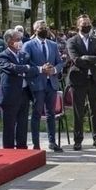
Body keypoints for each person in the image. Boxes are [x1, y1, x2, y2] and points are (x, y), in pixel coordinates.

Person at [66, 14, 96, 150]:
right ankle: (78, 140)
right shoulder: (72, 41)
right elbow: (76, 60)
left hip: (94, 79)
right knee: (79, 111)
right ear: (78, 25)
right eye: (84, 24)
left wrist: (87, 58)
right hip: (78, 79)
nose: (86, 26)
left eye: (88, 23)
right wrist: (94, 60)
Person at [23, 20, 64, 152]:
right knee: (36, 114)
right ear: (35, 30)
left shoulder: (52, 44)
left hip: (51, 84)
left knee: (51, 113)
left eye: (46, 27)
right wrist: (41, 69)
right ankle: (36, 144)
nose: (44, 30)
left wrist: (55, 70)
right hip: (37, 84)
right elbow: (25, 64)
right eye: (41, 28)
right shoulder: (28, 45)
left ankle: (52, 142)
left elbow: (60, 62)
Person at [0, 29, 38, 149]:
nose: (20, 42)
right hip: (10, 95)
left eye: (21, 39)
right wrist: (25, 68)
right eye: (17, 39)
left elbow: (34, 70)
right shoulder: (2, 55)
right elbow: (12, 69)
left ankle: (22, 147)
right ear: (9, 41)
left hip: (24, 93)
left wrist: (24, 69)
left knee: (23, 123)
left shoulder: (24, 55)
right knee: (9, 125)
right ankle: (9, 149)